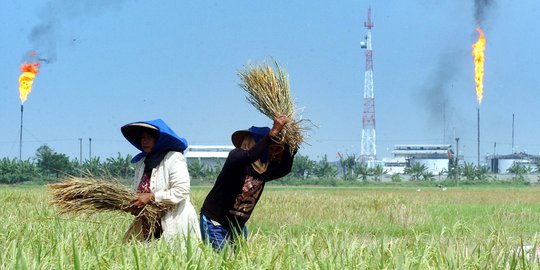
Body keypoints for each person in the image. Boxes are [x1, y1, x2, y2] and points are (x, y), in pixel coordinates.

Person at [199, 115, 296, 251]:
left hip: (237, 226)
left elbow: (284, 168)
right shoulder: (236, 157)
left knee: (237, 263)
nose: (272, 151)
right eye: (269, 146)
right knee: (222, 262)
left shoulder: (263, 169)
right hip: (215, 222)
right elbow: (251, 155)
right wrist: (272, 133)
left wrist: (292, 148)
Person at [121, 119, 201, 242]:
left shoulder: (174, 158)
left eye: (149, 137)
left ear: (159, 139)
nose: (144, 141)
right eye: (142, 138)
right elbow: (138, 192)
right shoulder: (142, 162)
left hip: (174, 221)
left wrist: (151, 197)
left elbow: (181, 191)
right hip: (148, 225)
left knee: (176, 258)